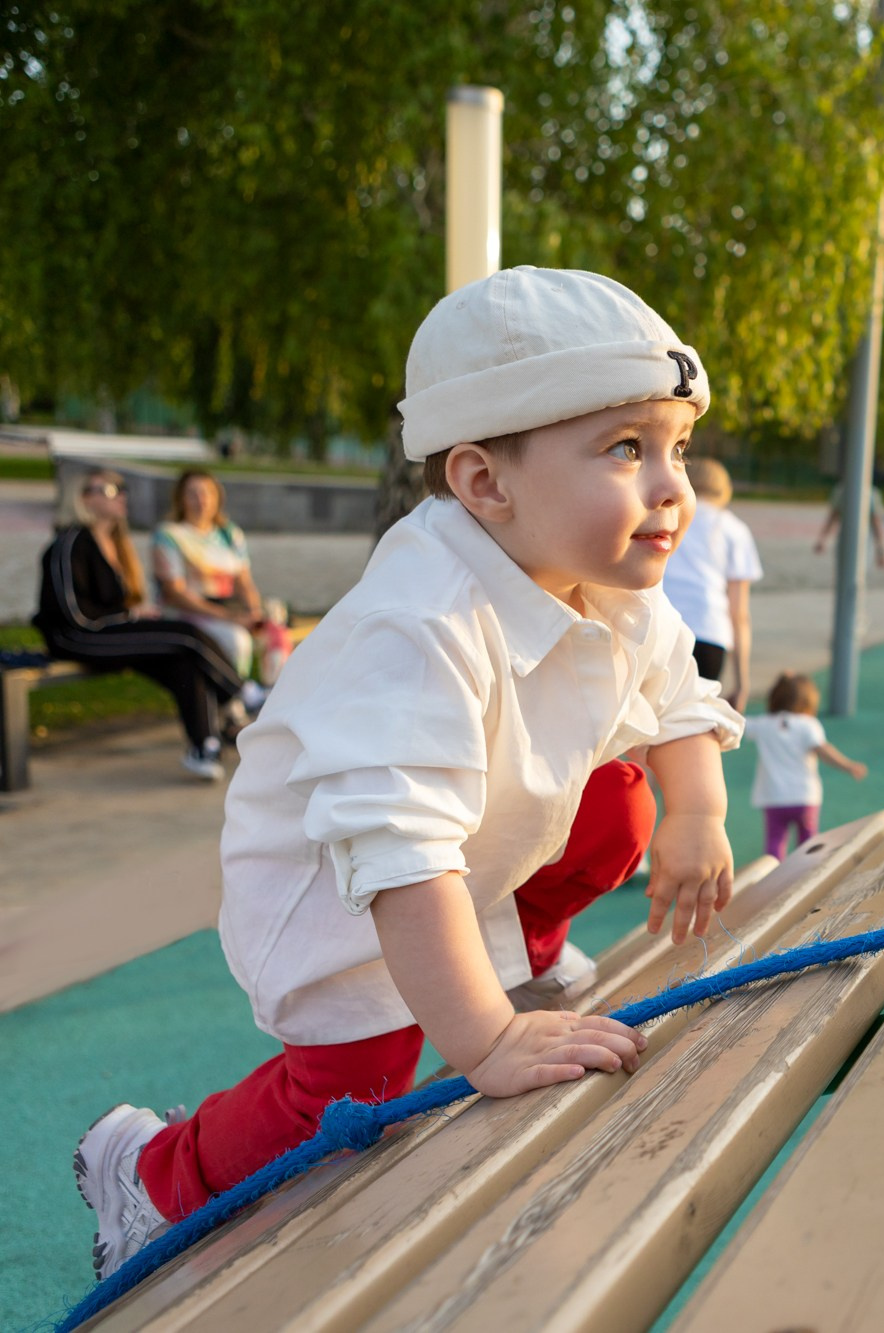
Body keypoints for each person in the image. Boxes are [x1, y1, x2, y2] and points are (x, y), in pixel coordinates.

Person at [71, 266, 745, 1282]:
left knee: (624, 800)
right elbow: (395, 853)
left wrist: (697, 810)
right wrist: (483, 1042)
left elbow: (678, 695)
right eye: (624, 449)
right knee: (358, 1091)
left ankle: (520, 947)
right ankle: (155, 1174)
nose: (670, 487)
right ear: (484, 484)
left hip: (469, 840)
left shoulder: (605, 585)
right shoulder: (419, 621)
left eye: (675, 447)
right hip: (340, 876)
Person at [33, 468, 248, 781]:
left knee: (183, 660)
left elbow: (117, 606)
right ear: (84, 499)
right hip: (77, 637)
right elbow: (75, 614)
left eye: (122, 489)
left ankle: (205, 747)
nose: (120, 496)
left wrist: (133, 614)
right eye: (108, 490)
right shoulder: (69, 544)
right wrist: (128, 617)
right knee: (185, 636)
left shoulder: (114, 543)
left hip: (105, 632)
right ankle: (243, 694)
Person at [152, 468, 281, 695]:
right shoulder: (170, 535)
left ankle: (273, 698)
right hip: (190, 613)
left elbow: (244, 581)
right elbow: (175, 593)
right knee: (236, 640)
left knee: (275, 634)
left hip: (229, 609)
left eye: (207, 493)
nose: (201, 500)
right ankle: (234, 704)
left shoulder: (229, 534)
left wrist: (253, 611)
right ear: (181, 498)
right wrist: (230, 617)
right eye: (193, 493)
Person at [661, 458, 763, 709]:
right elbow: (739, 614)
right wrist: (742, 682)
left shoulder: (669, 517)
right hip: (710, 632)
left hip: (664, 628)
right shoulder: (734, 530)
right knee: (694, 721)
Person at [742, 671, 866, 859]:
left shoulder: (763, 724)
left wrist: (737, 697)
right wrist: (847, 765)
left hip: (773, 797)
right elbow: (823, 750)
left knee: (774, 843)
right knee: (808, 844)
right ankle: (807, 877)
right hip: (804, 796)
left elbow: (736, 723)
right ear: (808, 701)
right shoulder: (808, 724)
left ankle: (772, 881)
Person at [813, 479, 884, 569]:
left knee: (854, 569)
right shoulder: (844, 491)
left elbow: (876, 523)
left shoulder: (870, 493)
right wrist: (822, 539)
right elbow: (833, 517)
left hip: (862, 541)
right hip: (848, 539)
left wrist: (881, 551)